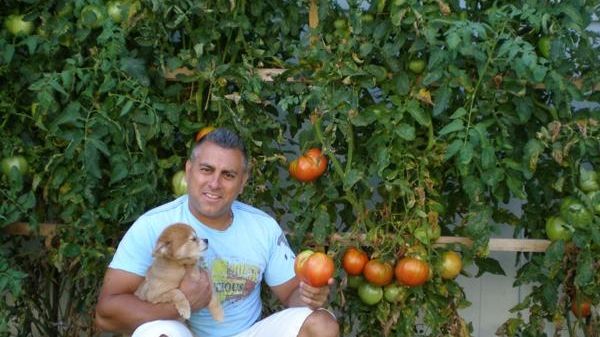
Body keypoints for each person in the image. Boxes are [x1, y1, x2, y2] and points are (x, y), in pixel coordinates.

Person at [94, 127, 339, 337]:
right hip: (181, 331)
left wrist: (309, 295)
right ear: (189, 170)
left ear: (243, 181)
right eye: (206, 170)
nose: (214, 183)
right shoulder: (155, 227)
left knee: (320, 324)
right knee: (156, 333)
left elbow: (292, 295)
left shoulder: (262, 227)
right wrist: (181, 304)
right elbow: (106, 314)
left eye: (228, 175)